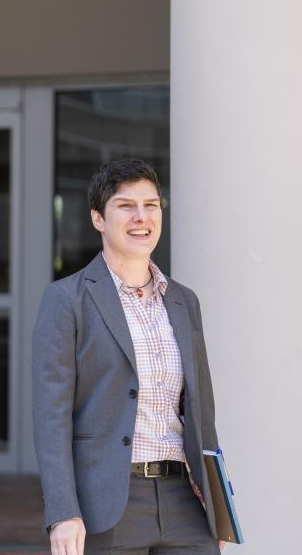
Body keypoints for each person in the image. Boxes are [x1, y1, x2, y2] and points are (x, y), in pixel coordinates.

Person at [32, 158, 224, 555]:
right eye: (126, 205)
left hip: (185, 502)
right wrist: (62, 512)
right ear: (98, 219)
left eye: (151, 205)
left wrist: (217, 505)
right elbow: (51, 418)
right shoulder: (67, 300)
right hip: (106, 504)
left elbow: (202, 412)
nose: (142, 217)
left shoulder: (184, 301)